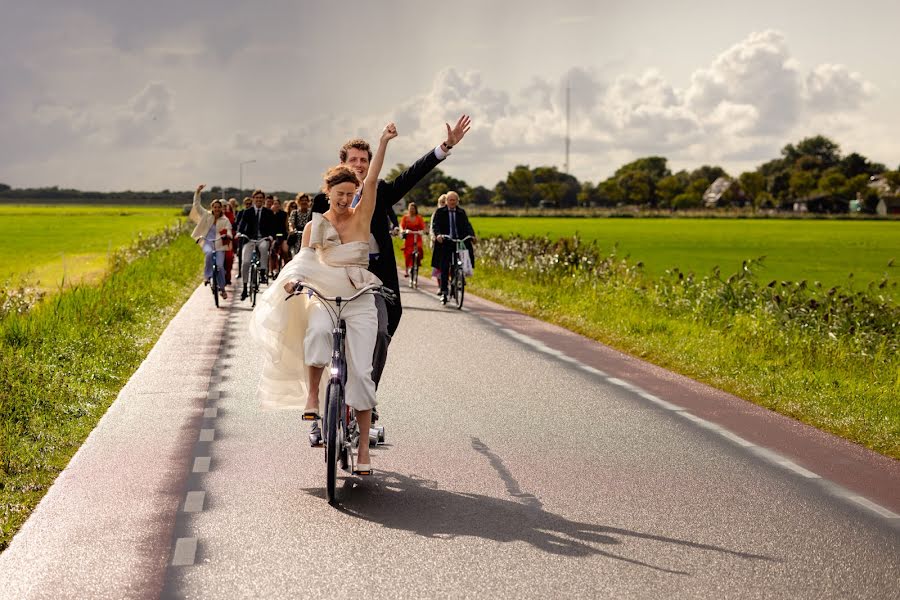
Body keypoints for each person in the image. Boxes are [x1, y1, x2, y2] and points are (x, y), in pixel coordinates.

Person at [250, 122, 398, 475]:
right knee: (316, 334)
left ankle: (363, 448)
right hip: (325, 296)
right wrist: (292, 282)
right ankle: (314, 396)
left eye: (351, 194)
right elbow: (303, 261)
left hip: (360, 295)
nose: (346, 201)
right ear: (328, 194)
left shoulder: (363, 213)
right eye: (340, 195)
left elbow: (374, 179)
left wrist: (382, 143)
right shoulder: (315, 225)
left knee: (362, 374)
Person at [311, 114, 472, 388]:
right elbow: (313, 245)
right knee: (321, 333)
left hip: (377, 276)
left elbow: (412, 175)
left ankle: (367, 392)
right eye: (354, 160)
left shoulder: (380, 192)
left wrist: (444, 147)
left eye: (364, 160)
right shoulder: (321, 200)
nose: (359, 165)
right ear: (343, 164)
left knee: (382, 331)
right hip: (335, 278)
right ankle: (329, 389)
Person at [431, 190, 476, 303]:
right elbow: (435, 225)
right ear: (446, 201)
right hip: (446, 242)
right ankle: (444, 291)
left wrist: (472, 235)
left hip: (459, 241)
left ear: (457, 201)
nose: (452, 202)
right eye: (450, 200)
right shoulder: (440, 212)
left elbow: (467, 225)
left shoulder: (461, 212)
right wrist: (438, 235)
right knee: (445, 266)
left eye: (454, 200)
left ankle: (459, 279)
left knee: (461, 263)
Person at [190, 184, 232, 299]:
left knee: (220, 266)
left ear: (221, 208)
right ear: (212, 207)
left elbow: (229, 230)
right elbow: (197, 205)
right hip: (207, 242)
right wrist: (198, 192)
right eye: (215, 207)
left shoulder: (225, 219)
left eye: (219, 207)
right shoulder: (206, 215)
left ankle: (222, 289)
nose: (217, 209)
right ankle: (207, 276)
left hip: (220, 245)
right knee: (208, 254)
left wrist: (228, 236)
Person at [238, 189, 277, 300]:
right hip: (249, 239)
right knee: (245, 263)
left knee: (264, 247)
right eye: (257, 198)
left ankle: (263, 272)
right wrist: (240, 233)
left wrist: (271, 236)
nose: (259, 200)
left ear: (263, 200)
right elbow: (241, 225)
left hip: (262, 239)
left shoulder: (268, 212)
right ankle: (245, 288)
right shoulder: (247, 212)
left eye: (261, 198)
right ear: (253, 199)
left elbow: (272, 227)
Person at [399, 202, 426, 278]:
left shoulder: (419, 218)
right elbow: (401, 226)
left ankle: (417, 262)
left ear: (415, 209)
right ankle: (407, 269)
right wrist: (402, 231)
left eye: (413, 209)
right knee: (408, 254)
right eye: (410, 209)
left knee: (419, 248)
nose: (411, 210)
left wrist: (422, 231)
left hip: (417, 237)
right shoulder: (405, 218)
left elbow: (423, 227)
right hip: (409, 238)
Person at [269, 198, 289, 278]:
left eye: (277, 204)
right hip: (273, 236)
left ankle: (286, 267)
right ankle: (271, 270)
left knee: (285, 250)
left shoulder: (284, 214)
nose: (276, 205)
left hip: (283, 235)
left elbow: (286, 225)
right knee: (272, 251)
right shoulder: (270, 214)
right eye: (274, 204)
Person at [222, 200, 237, 285]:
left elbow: (231, 227)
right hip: (217, 240)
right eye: (222, 206)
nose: (223, 208)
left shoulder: (230, 215)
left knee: (229, 259)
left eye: (225, 206)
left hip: (228, 239)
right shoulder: (214, 216)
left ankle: (228, 277)